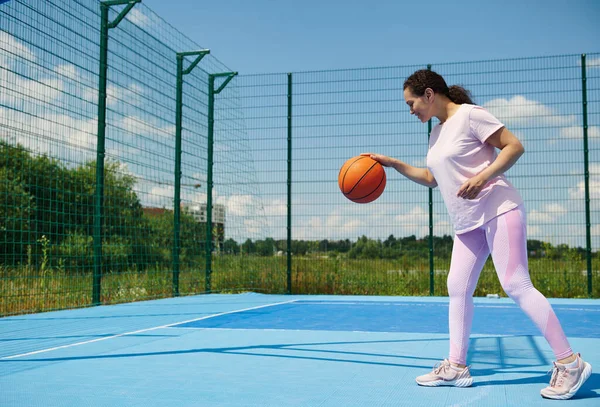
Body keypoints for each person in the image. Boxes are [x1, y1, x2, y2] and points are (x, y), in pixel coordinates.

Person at [363, 69, 592, 400]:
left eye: (411, 103)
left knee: (516, 284)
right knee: (456, 288)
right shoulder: (436, 133)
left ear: (429, 94)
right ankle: (456, 366)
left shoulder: (471, 116)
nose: (410, 110)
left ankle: (570, 363)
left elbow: (514, 146)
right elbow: (432, 177)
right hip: (467, 223)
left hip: (499, 208)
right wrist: (393, 163)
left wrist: (483, 177)